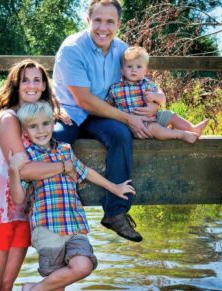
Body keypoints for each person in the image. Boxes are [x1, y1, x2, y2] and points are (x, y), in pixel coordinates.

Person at [0, 59, 74, 291]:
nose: (31, 85)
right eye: (25, 81)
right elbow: (23, 169)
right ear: (16, 85)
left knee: (6, 284)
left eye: (37, 80)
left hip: (22, 209)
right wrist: (66, 166)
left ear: (45, 85)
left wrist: (59, 113)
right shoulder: (8, 119)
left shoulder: (35, 119)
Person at [53, 0, 154, 242]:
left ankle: (116, 213)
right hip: (71, 111)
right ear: (87, 21)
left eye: (110, 21)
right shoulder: (72, 48)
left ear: (118, 24)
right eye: (97, 20)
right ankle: (57, 211)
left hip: (103, 113)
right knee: (55, 139)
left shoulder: (122, 50)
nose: (103, 27)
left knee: (120, 134)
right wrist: (128, 117)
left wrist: (154, 104)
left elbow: (139, 80)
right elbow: (84, 101)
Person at [8, 101, 136, 291]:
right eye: (33, 126)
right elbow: (18, 198)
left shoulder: (65, 150)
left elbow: (86, 171)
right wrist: (13, 170)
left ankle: (33, 289)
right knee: (57, 285)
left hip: (73, 223)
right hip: (47, 227)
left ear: (53, 124)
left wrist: (114, 187)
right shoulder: (28, 157)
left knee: (84, 265)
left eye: (45, 123)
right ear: (25, 132)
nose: (41, 130)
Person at [106, 46, 209, 143]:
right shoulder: (115, 88)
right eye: (129, 66)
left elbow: (162, 98)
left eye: (138, 66)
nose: (134, 70)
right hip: (138, 124)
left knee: (170, 114)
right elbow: (108, 106)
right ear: (122, 70)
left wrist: (155, 96)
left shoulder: (147, 84)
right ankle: (180, 134)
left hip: (153, 116)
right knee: (155, 129)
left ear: (145, 70)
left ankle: (192, 129)